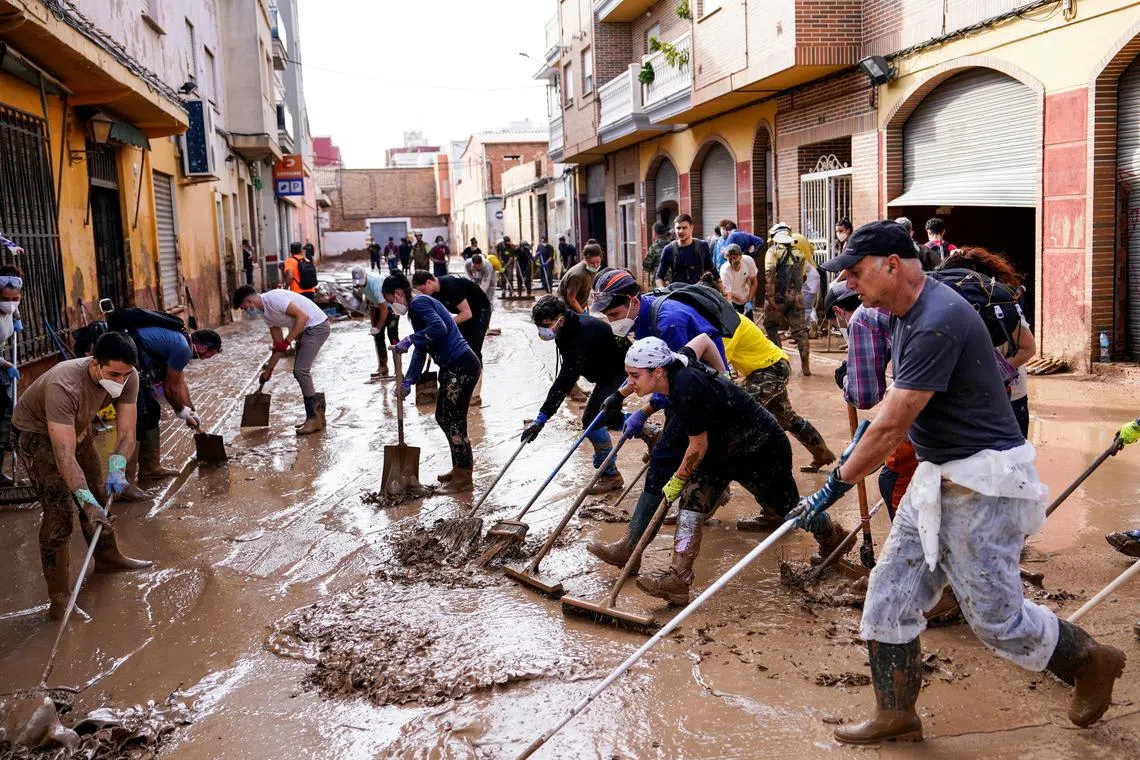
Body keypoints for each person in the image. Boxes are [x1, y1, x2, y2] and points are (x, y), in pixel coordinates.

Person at [799, 219, 1125, 744]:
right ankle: (895, 712)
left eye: (856, 273)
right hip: (937, 473)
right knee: (890, 593)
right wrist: (851, 452)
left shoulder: (936, 320)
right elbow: (888, 408)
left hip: (984, 482)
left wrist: (832, 486)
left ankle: (1090, 661)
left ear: (892, 264)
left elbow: (896, 419)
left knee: (996, 618)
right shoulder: (903, 313)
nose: (849, 285)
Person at [620, 337, 804, 606]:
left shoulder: (686, 386)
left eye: (634, 376)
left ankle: (830, 536)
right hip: (720, 452)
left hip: (759, 448)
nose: (630, 383)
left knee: (791, 511)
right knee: (691, 504)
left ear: (657, 371)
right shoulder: (672, 375)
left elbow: (697, 444)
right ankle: (678, 579)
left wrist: (678, 477)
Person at [13, 332, 149, 620]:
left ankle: (107, 557)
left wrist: (117, 465)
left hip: (77, 427)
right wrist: (84, 501)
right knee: (61, 512)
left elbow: (126, 433)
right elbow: (64, 455)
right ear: (94, 363)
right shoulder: (64, 384)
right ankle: (60, 599)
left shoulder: (129, 376)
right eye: (114, 374)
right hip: (36, 436)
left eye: (125, 375)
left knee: (100, 495)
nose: (120, 381)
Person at [522, 296, 633, 493]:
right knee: (611, 418)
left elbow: (565, 380)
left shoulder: (579, 335)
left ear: (561, 318)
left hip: (619, 371)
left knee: (592, 421)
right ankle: (650, 432)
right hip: (605, 370)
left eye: (547, 325)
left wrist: (542, 417)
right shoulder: (566, 329)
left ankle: (610, 475)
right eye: (539, 326)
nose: (543, 331)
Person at [384, 274, 481, 493]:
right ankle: (459, 469)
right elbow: (421, 349)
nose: (392, 306)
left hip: (461, 365)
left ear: (399, 293)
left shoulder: (419, 304)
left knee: (453, 420)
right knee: (444, 417)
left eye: (391, 300)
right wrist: (409, 380)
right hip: (453, 366)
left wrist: (409, 339)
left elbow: (439, 328)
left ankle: (463, 478)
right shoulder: (416, 312)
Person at [113, 310, 223, 500]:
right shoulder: (182, 348)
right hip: (123, 367)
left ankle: (150, 468)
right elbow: (170, 388)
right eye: (209, 356)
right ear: (204, 348)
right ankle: (123, 485)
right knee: (137, 421)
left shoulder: (182, 344)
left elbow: (180, 382)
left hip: (136, 367)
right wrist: (182, 412)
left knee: (153, 412)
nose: (206, 359)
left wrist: (192, 412)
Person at [939, 247, 1036, 437]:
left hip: (1005, 395)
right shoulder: (951, 306)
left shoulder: (1000, 304)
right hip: (974, 397)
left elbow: (1028, 348)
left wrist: (993, 377)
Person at [232, 284, 331, 435]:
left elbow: (302, 317)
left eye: (244, 308)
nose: (246, 311)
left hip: (317, 326)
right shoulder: (267, 316)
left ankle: (313, 419)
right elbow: (279, 346)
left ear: (249, 301)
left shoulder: (274, 299)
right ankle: (319, 418)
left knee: (301, 371)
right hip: (307, 330)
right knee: (301, 371)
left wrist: (288, 340)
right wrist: (268, 371)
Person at [763, 222, 812, 375]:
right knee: (800, 330)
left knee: (771, 326)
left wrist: (770, 297)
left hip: (778, 297)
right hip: (797, 296)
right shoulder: (800, 253)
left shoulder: (773, 251)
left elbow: (769, 274)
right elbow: (803, 277)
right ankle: (805, 366)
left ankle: (780, 363)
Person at [351, 266, 399, 380]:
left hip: (391, 307)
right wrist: (369, 307)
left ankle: (398, 370)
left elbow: (384, 310)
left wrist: (378, 327)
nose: (359, 285)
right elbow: (367, 295)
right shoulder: (359, 282)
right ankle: (383, 369)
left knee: (393, 337)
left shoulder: (376, 285)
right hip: (378, 306)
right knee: (378, 338)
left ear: (365, 276)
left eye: (361, 283)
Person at [0, 265, 22, 486]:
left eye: (16, 297)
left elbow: (14, 310)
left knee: (6, 412)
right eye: (7, 298)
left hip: (2, 365)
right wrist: (6, 364)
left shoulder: (11, 307)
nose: (12, 301)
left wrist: (17, 317)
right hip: (1, 363)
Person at [655, 214, 714, 287]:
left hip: (699, 293)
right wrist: (662, 289)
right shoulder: (668, 249)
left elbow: (712, 270)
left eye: (684, 228)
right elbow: (659, 276)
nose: (681, 231)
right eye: (678, 228)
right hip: (678, 293)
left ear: (691, 227)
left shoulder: (702, 246)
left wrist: (724, 291)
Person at [559, 242, 603, 314]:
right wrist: (583, 313)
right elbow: (571, 298)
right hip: (566, 309)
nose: (595, 266)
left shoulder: (591, 269)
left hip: (577, 306)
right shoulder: (578, 275)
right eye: (592, 263)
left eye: (598, 262)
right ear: (585, 259)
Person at [718, 244, 757, 319]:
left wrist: (749, 300)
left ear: (741, 256)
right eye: (730, 259)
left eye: (735, 258)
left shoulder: (748, 261)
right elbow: (727, 294)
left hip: (745, 297)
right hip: (732, 299)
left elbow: (754, 282)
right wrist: (731, 309)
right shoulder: (725, 271)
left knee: (749, 325)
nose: (733, 261)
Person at [644, 222, 670, 287]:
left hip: (657, 281)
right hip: (671, 282)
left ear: (654, 233)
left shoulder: (654, 247)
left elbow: (646, 266)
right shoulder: (672, 245)